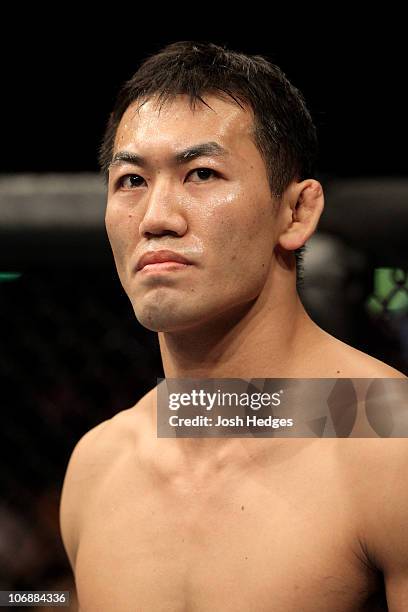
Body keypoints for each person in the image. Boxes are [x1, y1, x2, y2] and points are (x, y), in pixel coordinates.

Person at [60, 41, 408, 611]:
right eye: (130, 180)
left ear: (296, 213)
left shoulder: (393, 442)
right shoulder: (98, 465)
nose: (156, 219)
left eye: (201, 173)